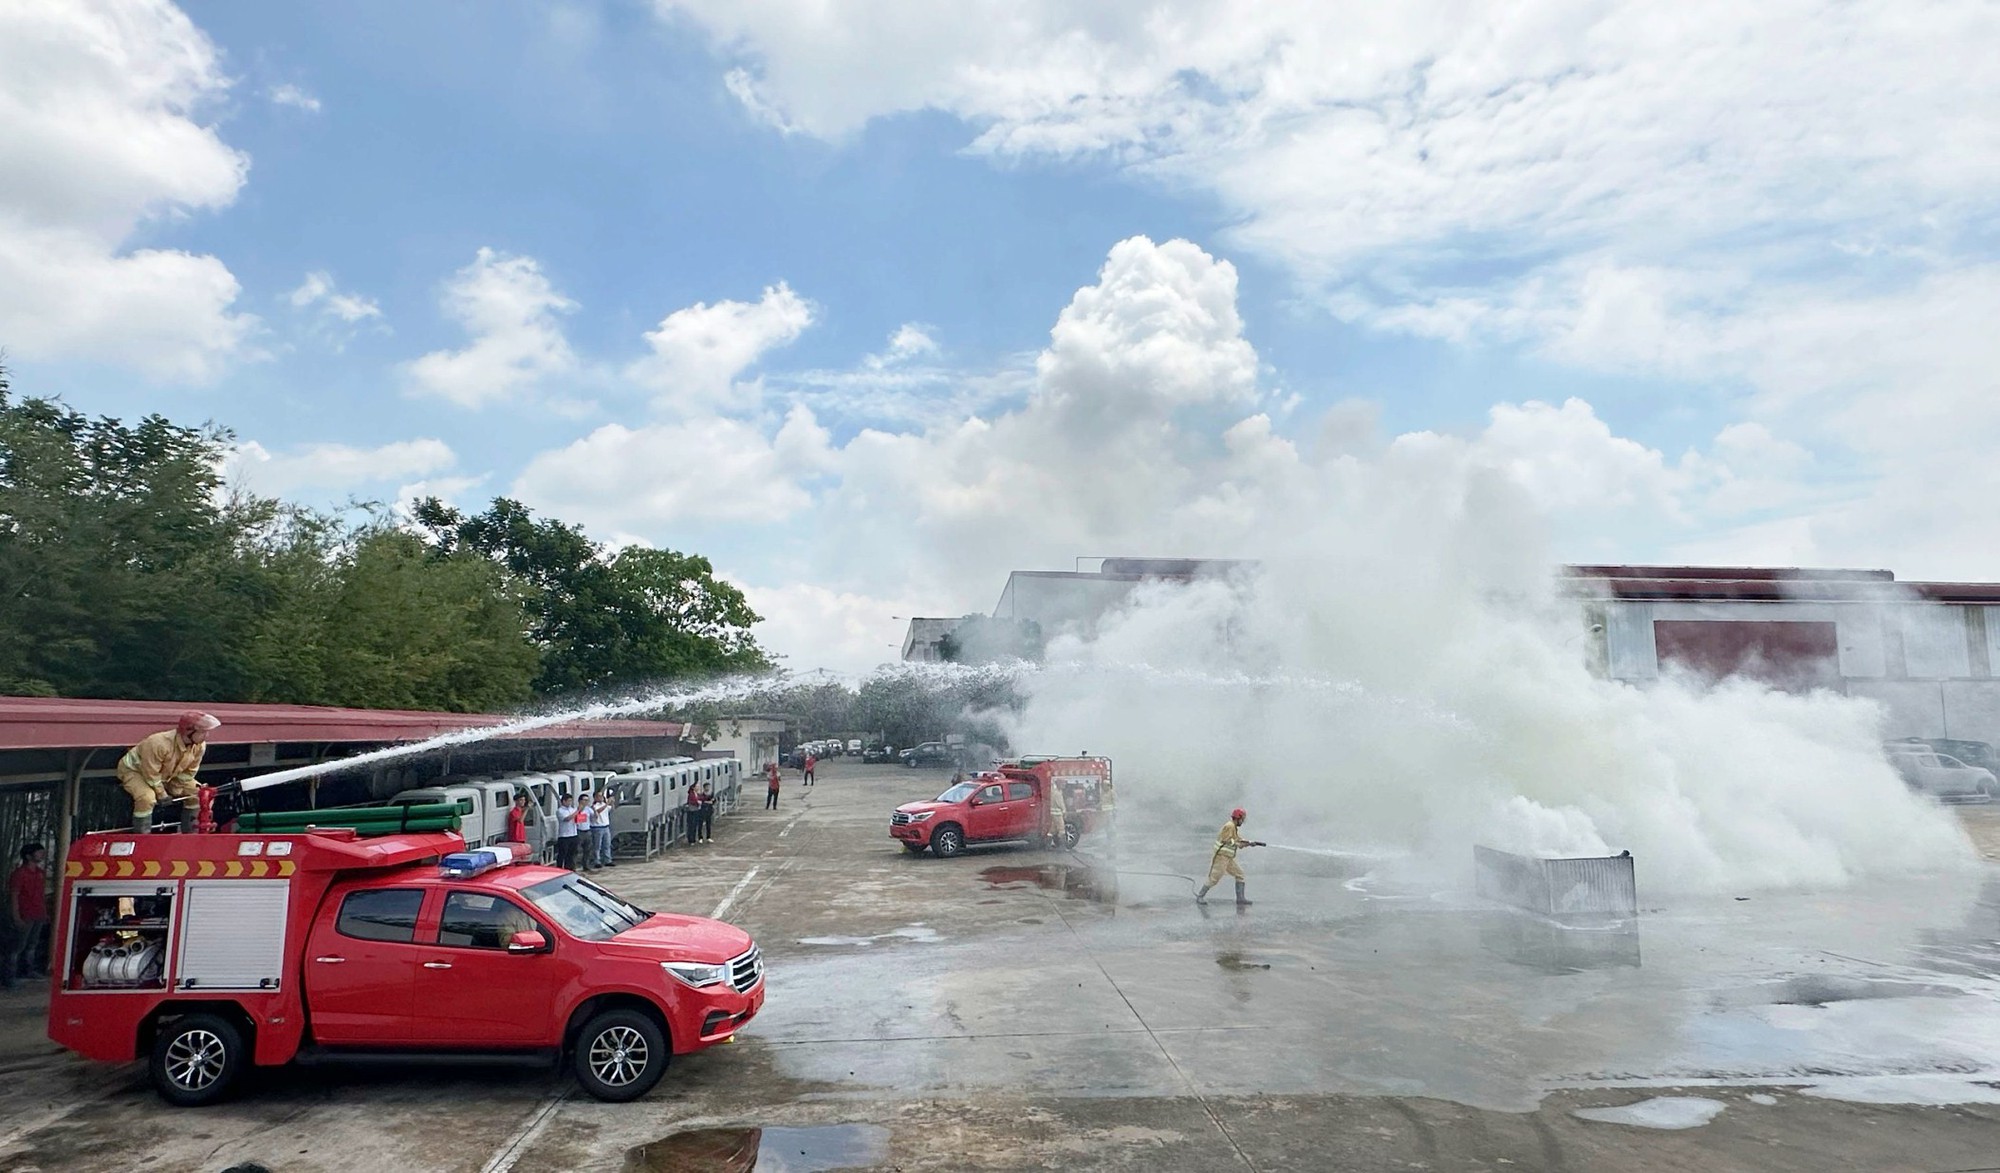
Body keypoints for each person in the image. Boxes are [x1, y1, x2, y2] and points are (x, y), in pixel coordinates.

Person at [117, 711, 218, 833]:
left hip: (166, 775)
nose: (207, 736)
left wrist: (176, 788)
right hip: (135, 771)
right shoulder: (158, 743)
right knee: (147, 798)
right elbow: (150, 773)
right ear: (188, 731)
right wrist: (162, 794)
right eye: (203, 732)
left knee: (198, 795)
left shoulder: (199, 746)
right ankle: (142, 836)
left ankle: (192, 835)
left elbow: (189, 772)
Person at [1194, 807, 1264, 907]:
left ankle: (1240, 899)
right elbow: (1228, 841)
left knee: (1240, 874)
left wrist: (1248, 843)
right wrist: (1243, 843)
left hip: (1228, 858)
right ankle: (1200, 896)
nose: (1242, 821)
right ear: (1238, 818)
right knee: (1214, 878)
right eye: (1242, 819)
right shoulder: (1229, 826)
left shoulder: (1233, 827)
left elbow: (1236, 839)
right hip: (1221, 857)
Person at [3, 843, 49, 989]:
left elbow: (41, 895)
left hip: (37, 914)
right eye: (38, 852)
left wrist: (44, 912)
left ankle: (28, 971)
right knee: (17, 947)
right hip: (25, 915)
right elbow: (14, 896)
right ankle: (9, 977)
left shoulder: (40, 873)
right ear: (29, 856)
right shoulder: (19, 874)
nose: (42, 855)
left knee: (32, 945)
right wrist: (16, 916)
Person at [554, 791, 580, 870]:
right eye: (568, 801)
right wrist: (577, 811)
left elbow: (576, 818)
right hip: (564, 835)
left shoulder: (573, 809)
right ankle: (559, 868)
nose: (570, 802)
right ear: (564, 801)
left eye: (571, 801)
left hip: (573, 834)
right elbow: (567, 819)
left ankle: (569, 868)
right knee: (562, 854)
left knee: (571, 853)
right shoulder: (560, 811)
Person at [590, 791, 615, 868]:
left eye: (602, 796)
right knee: (597, 846)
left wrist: (612, 803)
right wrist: (607, 803)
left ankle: (607, 860)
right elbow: (598, 811)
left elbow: (612, 809)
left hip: (606, 826)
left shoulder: (604, 805)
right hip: (597, 827)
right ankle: (597, 861)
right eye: (599, 796)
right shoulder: (594, 806)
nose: (601, 798)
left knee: (607, 844)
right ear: (595, 797)